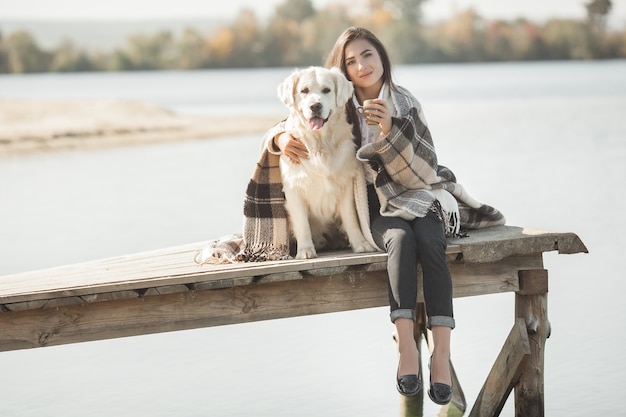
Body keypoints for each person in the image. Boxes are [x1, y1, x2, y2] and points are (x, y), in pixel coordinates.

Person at [268, 27, 455, 403]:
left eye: (368, 55)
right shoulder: (341, 102)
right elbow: (296, 118)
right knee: (400, 240)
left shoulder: (405, 103)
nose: (362, 65)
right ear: (345, 73)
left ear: (382, 57)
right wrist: (277, 139)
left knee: (431, 241)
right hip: (374, 202)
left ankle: (443, 356)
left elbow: (425, 166)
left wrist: (390, 130)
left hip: (418, 195)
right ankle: (406, 351)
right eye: (351, 61)